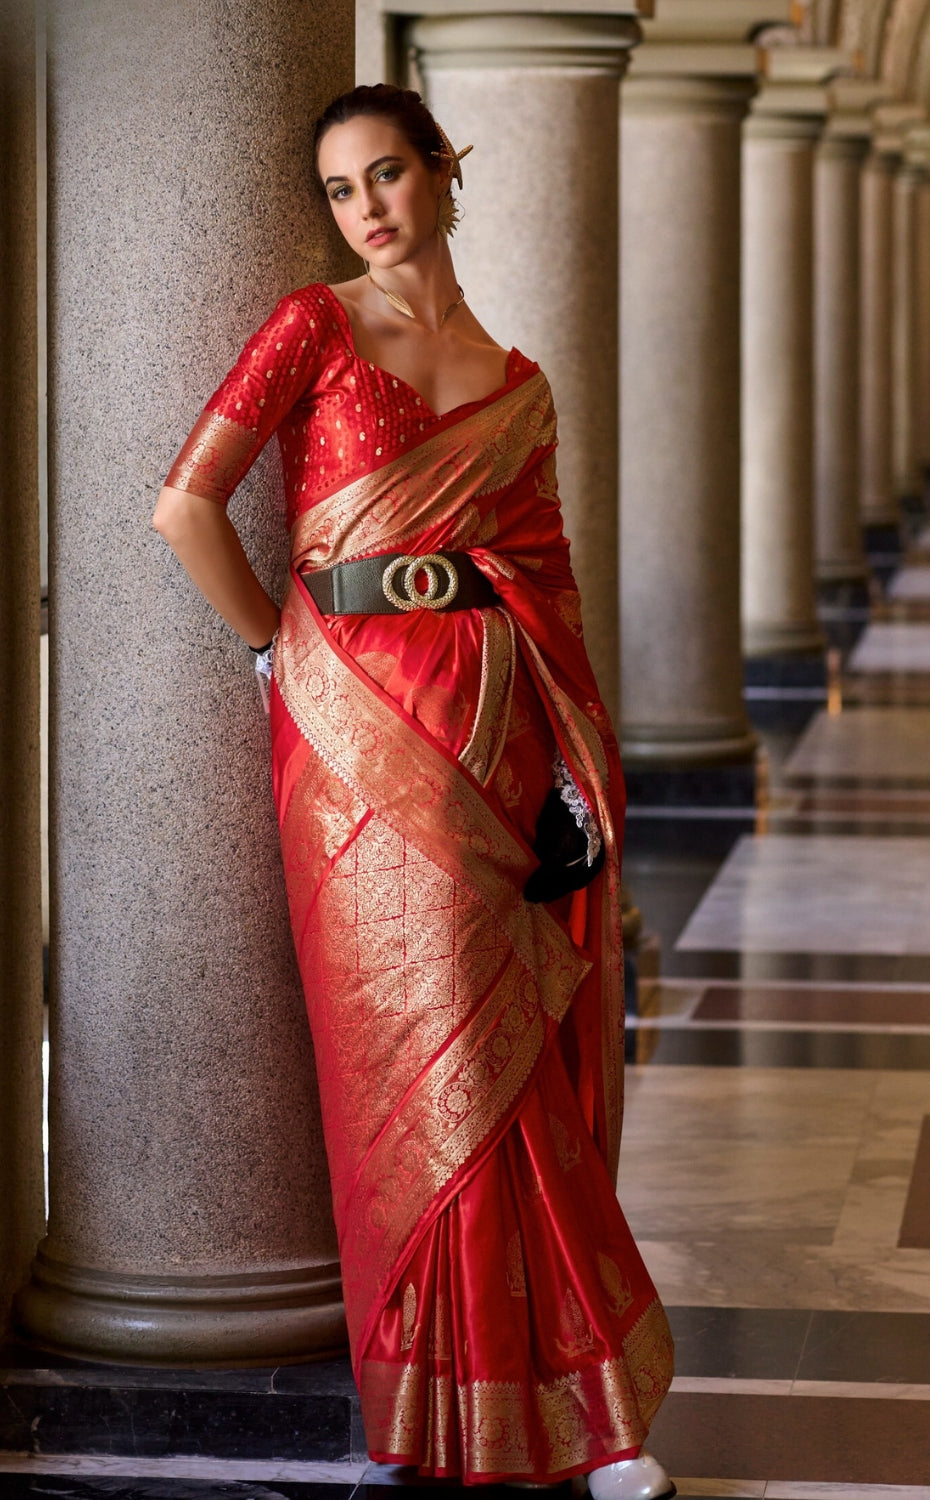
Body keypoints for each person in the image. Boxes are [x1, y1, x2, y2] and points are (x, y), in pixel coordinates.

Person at [153, 83, 674, 1495]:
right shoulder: (313, 327)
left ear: (446, 175)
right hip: (352, 726)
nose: (368, 207)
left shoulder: (516, 380)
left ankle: (594, 1418)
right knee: (408, 1072)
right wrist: (275, 647)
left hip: (500, 728)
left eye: (388, 175)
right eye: (341, 189)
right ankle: (418, 1418)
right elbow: (185, 503)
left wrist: (575, 769)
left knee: (515, 1071)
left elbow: (550, 586)